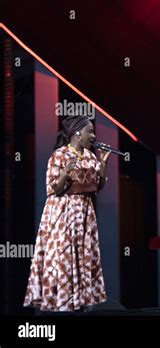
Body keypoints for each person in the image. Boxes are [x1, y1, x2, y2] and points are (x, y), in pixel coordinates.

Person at [24, 115, 111, 311]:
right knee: (62, 257)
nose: (94, 136)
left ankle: (80, 301)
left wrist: (103, 163)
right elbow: (53, 188)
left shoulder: (90, 156)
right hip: (63, 212)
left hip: (84, 211)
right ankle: (60, 301)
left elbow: (98, 186)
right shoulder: (59, 155)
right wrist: (65, 172)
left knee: (82, 256)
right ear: (77, 134)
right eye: (90, 132)